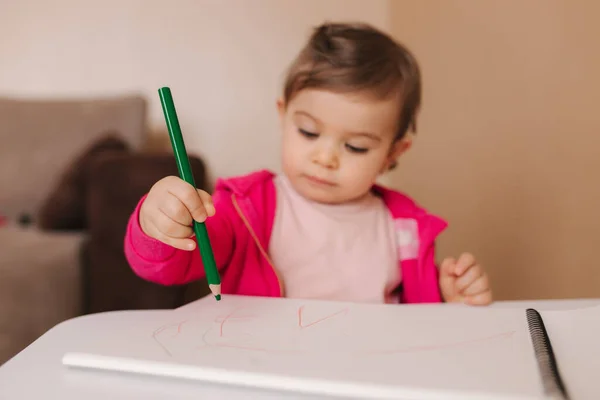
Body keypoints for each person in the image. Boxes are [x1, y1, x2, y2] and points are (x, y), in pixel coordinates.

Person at [124, 22, 492, 306]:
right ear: (284, 116)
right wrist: (159, 224)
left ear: (393, 154)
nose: (325, 158)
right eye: (308, 132)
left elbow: (419, 322)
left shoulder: (403, 227)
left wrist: (448, 299)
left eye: (355, 146)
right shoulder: (247, 209)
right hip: (267, 368)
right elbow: (169, 265)